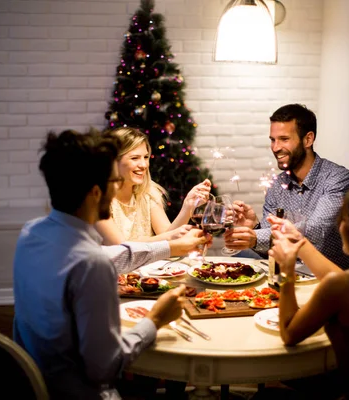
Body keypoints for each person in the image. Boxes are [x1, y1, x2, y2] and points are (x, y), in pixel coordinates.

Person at [12, 128, 210, 400]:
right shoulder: (92, 264)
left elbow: (118, 255)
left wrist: (169, 246)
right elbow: (104, 367)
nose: (119, 184)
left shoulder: (30, 233)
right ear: (97, 192)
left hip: (30, 377)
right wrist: (154, 321)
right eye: (114, 180)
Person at [268, 177, 349, 400]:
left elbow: (289, 334)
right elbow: (341, 281)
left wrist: (286, 272)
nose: (339, 226)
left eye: (343, 219)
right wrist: (299, 241)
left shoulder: (341, 287)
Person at [223, 104, 349, 270]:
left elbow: (316, 231)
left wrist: (255, 237)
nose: (276, 147)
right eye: (273, 140)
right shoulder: (277, 185)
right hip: (287, 276)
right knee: (235, 262)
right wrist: (254, 227)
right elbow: (272, 248)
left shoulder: (337, 178)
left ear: (308, 139)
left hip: (328, 279)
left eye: (284, 139)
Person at [96, 127, 211, 245]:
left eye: (145, 157)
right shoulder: (98, 198)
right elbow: (120, 249)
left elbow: (170, 239)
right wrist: (168, 238)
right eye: (134, 158)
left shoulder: (148, 193)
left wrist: (188, 207)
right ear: (113, 161)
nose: (143, 165)